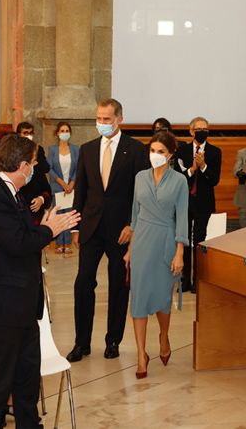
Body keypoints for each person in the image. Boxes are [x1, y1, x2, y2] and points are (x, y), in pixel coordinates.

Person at [0, 134, 79, 428]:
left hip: (19, 304)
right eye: (35, 163)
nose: (37, 169)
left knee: (26, 377)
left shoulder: (10, 191)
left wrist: (44, 226)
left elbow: (22, 237)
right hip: (0, 305)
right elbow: (17, 243)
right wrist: (50, 230)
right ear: (23, 165)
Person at [66, 98, 148, 363]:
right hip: (91, 227)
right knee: (83, 284)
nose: (101, 123)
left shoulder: (135, 150)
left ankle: (113, 340)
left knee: (118, 286)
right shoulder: (88, 150)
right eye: (98, 118)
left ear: (119, 119)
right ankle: (82, 342)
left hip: (120, 229)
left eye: (107, 119)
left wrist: (132, 225)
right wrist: (75, 226)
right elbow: (81, 191)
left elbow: (140, 193)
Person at [123, 131, 188, 379]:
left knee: (161, 298)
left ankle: (163, 336)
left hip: (165, 242)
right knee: (138, 299)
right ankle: (141, 354)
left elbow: (181, 218)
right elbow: (134, 215)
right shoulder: (140, 177)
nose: (155, 155)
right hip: (141, 242)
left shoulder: (179, 181)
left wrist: (179, 252)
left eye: (161, 151)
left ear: (170, 154)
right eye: (153, 150)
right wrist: (129, 249)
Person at [175, 117, 221, 293]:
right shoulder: (182, 151)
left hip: (204, 203)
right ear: (191, 131)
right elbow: (178, 178)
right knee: (184, 239)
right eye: (199, 128)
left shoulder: (215, 152)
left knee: (199, 239)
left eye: (206, 129)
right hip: (184, 202)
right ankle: (184, 279)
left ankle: (198, 280)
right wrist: (193, 168)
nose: (203, 131)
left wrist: (203, 166)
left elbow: (214, 180)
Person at [47, 121, 79, 253]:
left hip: (71, 188)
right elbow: (50, 169)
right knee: (59, 214)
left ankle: (69, 243)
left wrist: (71, 184)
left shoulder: (76, 149)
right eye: (62, 131)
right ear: (57, 133)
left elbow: (78, 168)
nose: (64, 133)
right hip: (58, 187)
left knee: (69, 214)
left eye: (67, 131)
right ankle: (60, 243)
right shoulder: (52, 149)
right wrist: (62, 183)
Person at [16, 122, 52, 225]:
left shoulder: (37, 150)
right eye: (25, 133)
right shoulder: (13, 153)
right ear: (19, 134)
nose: (29, 135)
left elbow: (46, 169)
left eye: (31, 133)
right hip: (19, 205)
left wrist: (41, 199)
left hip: (35, 202)